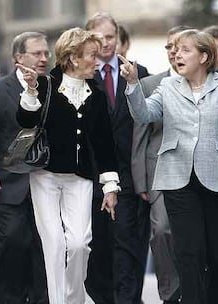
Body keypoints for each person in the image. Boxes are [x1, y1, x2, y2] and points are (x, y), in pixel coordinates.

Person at [121, 29, 218, 304]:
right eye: (175, 50)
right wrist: (132, 85)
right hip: (177, 178)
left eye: (185, 50)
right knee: (187, 252)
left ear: (204, 56)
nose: (177, 55)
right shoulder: (167, 86)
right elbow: (144, 114)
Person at [16, 27, 119, 304]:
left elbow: (104, 143)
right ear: (73, 58)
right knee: (55, 244)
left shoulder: (96, 94)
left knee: (79, 244)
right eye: (91, 56)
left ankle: (75, 298)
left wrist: (110, 186)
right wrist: (31, 91)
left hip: (80, 177)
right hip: (45, 177)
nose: (97, 62)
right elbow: (25, 121)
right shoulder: (46, 85)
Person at [85, 12, 150, 304]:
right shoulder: (79, 76)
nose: (106, 43)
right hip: (92, 175)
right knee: (97, 247)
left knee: (127, 243)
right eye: (99, 37)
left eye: (110, 36)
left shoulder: (140, 72)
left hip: (128, 173)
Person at [131, 24, 192, 304]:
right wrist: (141, 181)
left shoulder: (209, 82)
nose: (173, 52)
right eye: (169, 46)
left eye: (179, 46)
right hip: (159, 175)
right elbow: (140, 136)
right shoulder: (150, 84)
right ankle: (170, 293)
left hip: (198, 173)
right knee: (163, 231)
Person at [0, 32, 48, 304]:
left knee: (44, 250)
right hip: (8, 184)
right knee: (13, 242)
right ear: (18, 58)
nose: (44, 58)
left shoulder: (51, 87)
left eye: (46, 53)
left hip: (46, 183)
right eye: (37, 53)